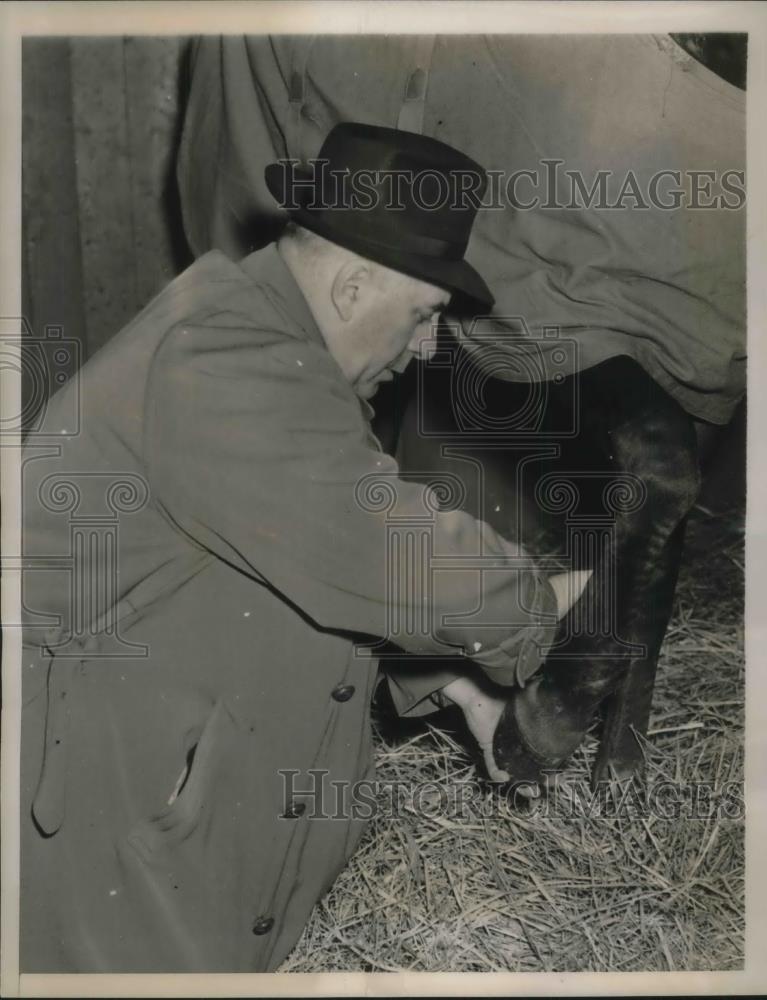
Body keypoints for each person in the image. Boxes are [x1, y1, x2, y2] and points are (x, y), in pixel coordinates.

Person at [20, 122, 589, 972]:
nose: (430, 345)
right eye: (426, 313)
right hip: (107, 826)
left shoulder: (257, 343)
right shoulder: (222, 359)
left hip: (143, 801)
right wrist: (538, 606)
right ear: (356, 285)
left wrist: (452, 684)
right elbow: (384, 548)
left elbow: (280, 570)